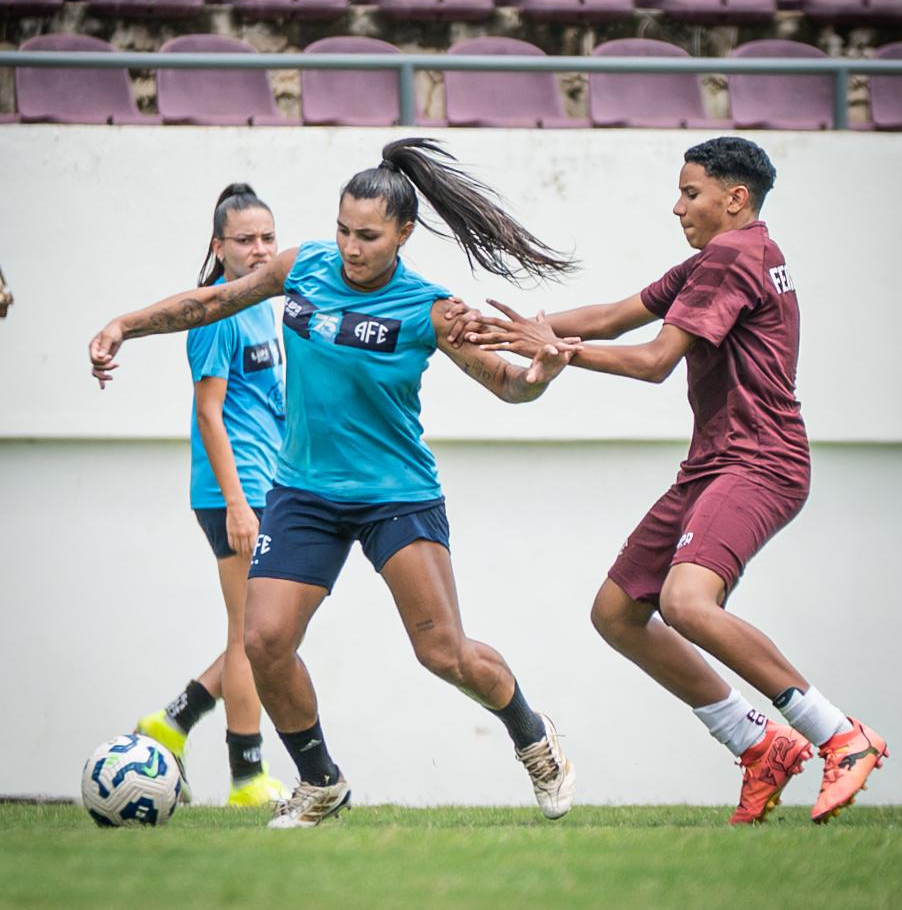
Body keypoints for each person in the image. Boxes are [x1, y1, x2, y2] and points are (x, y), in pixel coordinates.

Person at [90, 138, 581, 829]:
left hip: (396, 496)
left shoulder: (433, 309)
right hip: (303, 492)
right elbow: (214, 301)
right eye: (344, 229)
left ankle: (533, 736)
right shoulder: (303, 266)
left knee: (444, 653)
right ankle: (320, 782)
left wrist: (540, 374)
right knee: (264, 641)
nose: (351, 247)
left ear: (403, 233)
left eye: (368, 236)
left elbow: (509, 384)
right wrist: (124, 324)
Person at [461, 136, 888, 825]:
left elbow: (656, 360)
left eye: (690, 193)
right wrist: (503, 327)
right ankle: (756, 744)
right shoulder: (724, 257)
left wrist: (558, 351)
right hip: (715, 463)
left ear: (735, 198)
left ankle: (839, 734)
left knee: (686, 602)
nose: (677, 206)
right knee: (617, 612)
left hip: (760, 461)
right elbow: (612, 317)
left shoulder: (732, 256)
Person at [136, 184, 288, 808]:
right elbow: (209, 413)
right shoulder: (215, 314)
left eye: (268, 238)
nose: (260, 250)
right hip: (236, 493)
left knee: (270, 629)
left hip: (267, 484)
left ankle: (174, 719)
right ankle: (247, 778)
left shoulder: (262, 305)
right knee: (250, 633)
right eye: (245, 240)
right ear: (219, 247)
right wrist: (237, 504)